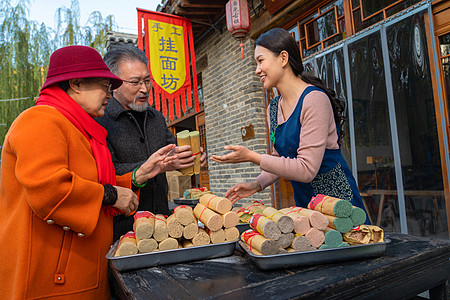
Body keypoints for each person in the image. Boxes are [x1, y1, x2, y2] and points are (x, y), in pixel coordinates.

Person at [0, 45, 176, 299]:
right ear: (76, 84)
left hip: (79, 274)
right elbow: (51, 189)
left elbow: (90, 181)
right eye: (104, 85)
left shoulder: (79, 128)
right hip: (51, 280)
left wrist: (139, 175)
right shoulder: (40, 120)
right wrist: (113, 195)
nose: (109, 93)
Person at [211, 28, 368, 215]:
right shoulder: (274, 107)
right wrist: (257, 184)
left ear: (283, 58)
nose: (257, 70)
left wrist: (252, 156)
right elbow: (280, 159)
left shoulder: (314, 99)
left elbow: (306, 169)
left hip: (338, 204)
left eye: (261, 61)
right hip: (307, 206)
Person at [98, 44, 206, 242]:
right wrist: (149, 167)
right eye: (135, 82)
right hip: (121, 227)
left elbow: (171, 152)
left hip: (162, 222)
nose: (144, 89)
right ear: (113, 83)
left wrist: (187, 158)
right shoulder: (101, 120)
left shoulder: (155, 117)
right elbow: (104, 172)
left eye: (147, 81)